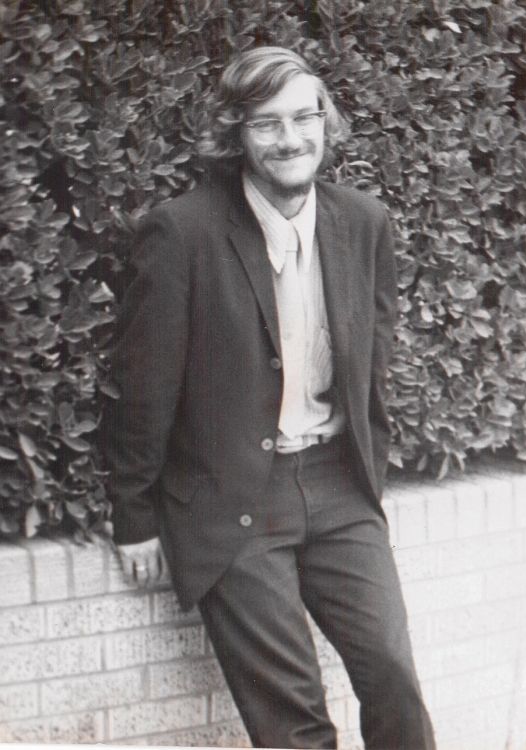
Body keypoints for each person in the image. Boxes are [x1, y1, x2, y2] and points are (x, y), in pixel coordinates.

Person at [102, 46, 435, 750]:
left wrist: (368, 474)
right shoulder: (182, 231)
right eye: (266, 123)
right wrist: (134, 515)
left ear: (326, 121)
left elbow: (373, 358)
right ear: (236, 133)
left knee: (394, 676)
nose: (290, 139)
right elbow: (145, 385)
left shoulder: (363, 221)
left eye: (304, 117)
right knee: (294, 722)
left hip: (339, 487)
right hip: (233, 499)